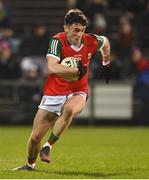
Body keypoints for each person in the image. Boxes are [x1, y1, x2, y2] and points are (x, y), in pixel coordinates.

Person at [12, 9, 111, 171]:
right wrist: (76, 71)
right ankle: (30, 165)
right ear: (66, 28)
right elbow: (51, 67)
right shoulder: (57, 41)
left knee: (70, 109)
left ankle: (48, 146)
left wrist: (106, 64)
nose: (79, 34)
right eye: (76, 30)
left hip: (79, 90)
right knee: (35, 137)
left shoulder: (91, 40)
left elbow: (106, 43)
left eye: (83, 30)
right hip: (54, 93)